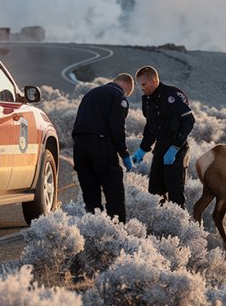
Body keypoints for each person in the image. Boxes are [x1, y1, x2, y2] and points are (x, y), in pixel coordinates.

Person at [71, 73, 136, 222]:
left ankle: (94, 228)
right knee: (114, 191)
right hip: (100, 145)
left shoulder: (90, 94)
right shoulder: (118, 96)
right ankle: (116, 230)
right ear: (126, 85)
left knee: (90, 194)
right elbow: (117, 127)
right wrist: (124, 154)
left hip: (80, 147)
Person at [131, 66, 195, 208]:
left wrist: (175, 147)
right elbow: (150, 127)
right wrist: (142, 149)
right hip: (160, 147)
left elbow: (189, 121)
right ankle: (160, 223)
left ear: (154, 81)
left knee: (175, 192)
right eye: (140, 85)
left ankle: (178, 225)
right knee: (154, 191)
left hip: (177, 148)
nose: (141, 88)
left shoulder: (172, 95)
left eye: (143, 84)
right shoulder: (146, 100)